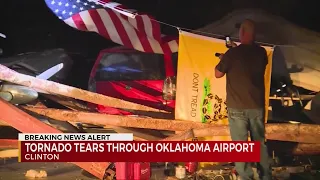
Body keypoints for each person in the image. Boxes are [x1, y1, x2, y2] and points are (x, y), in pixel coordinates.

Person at [215, 19, 271, 180]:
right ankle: (265, 176)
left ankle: (247, 178)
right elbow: (247, 61)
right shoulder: (261, 53)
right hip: (256, 106)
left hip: (237, 108)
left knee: (240, 146)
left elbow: (217, 73)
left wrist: (224, 58)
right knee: (259, 145)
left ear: (242, 33)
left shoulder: (232, 55)